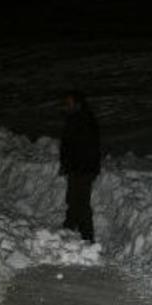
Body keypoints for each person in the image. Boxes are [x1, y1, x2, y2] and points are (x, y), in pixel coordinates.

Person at [59, 90, 101, 242]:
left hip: (84, 168)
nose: (67, 105)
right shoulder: (73, 119)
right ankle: (69, 227)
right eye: (67, 103)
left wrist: (82, 166)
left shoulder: (84, 120)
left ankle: (87, 237)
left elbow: (87, 147)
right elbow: (67, 145)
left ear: (78, 104)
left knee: (81, 202)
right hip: (75, 168)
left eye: (70, 103)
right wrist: (66, 164)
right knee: (72, 199)